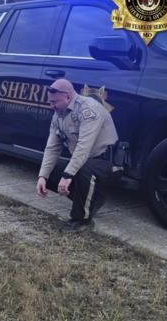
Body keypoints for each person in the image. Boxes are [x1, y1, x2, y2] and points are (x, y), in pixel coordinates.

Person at [36, 78, 118, 231]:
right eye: (50, 101)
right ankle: (93, 199)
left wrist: (68, 176)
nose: (51, 105)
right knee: (51, 172)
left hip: (105, 161)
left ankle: (82, 221)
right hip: (85, 160)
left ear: (68, 97)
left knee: (82, 170)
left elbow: (84, 147)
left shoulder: (89, 109)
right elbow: (52, 148)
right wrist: (42, 176)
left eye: (55, 102)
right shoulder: (59, 114)